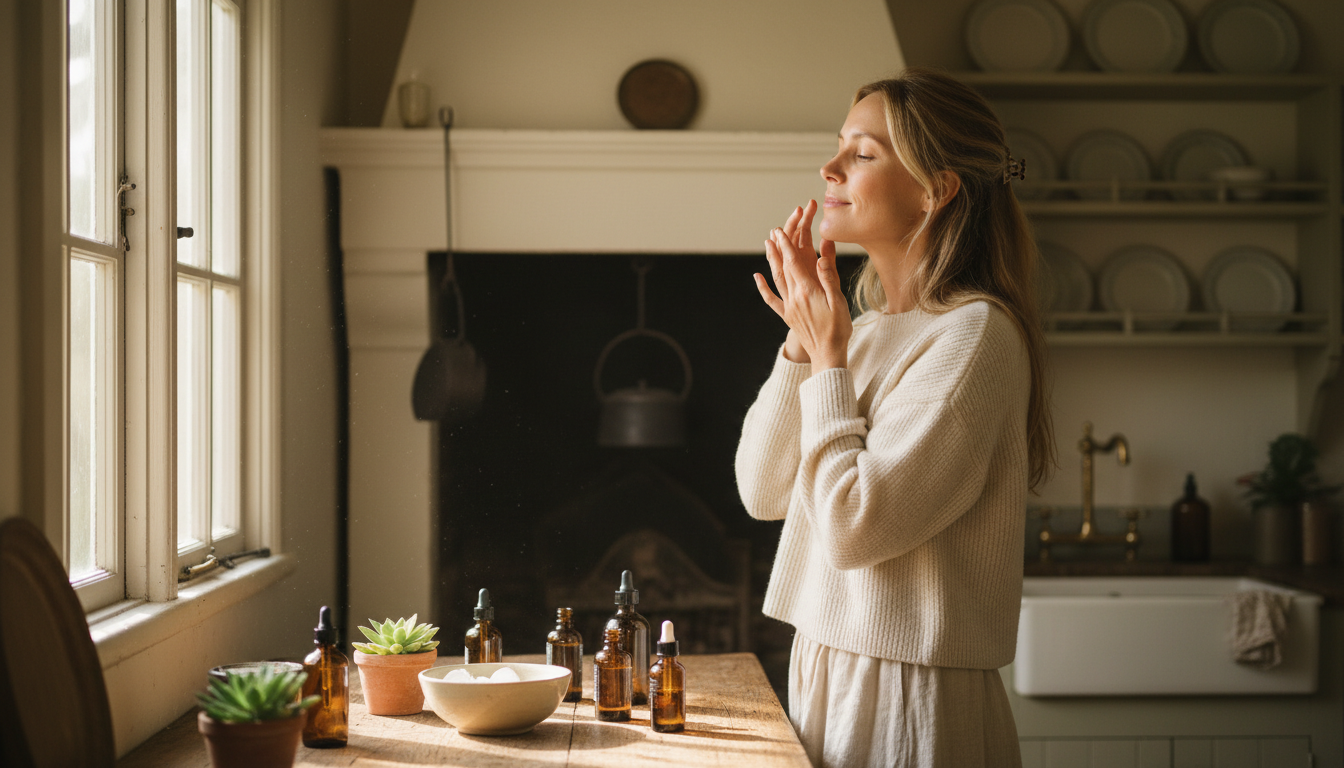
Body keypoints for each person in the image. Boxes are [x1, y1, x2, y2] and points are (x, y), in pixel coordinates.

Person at [734, 67, 1053, 768]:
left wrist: (827, 359)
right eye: (839, 146)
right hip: (826, 664)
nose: (830, 167)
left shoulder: (974, 337)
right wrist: (800, 342)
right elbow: (762, 491)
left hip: (910, 697)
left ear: (936, 191)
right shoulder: (868, 329)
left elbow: (854, 527)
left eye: (863, 152)